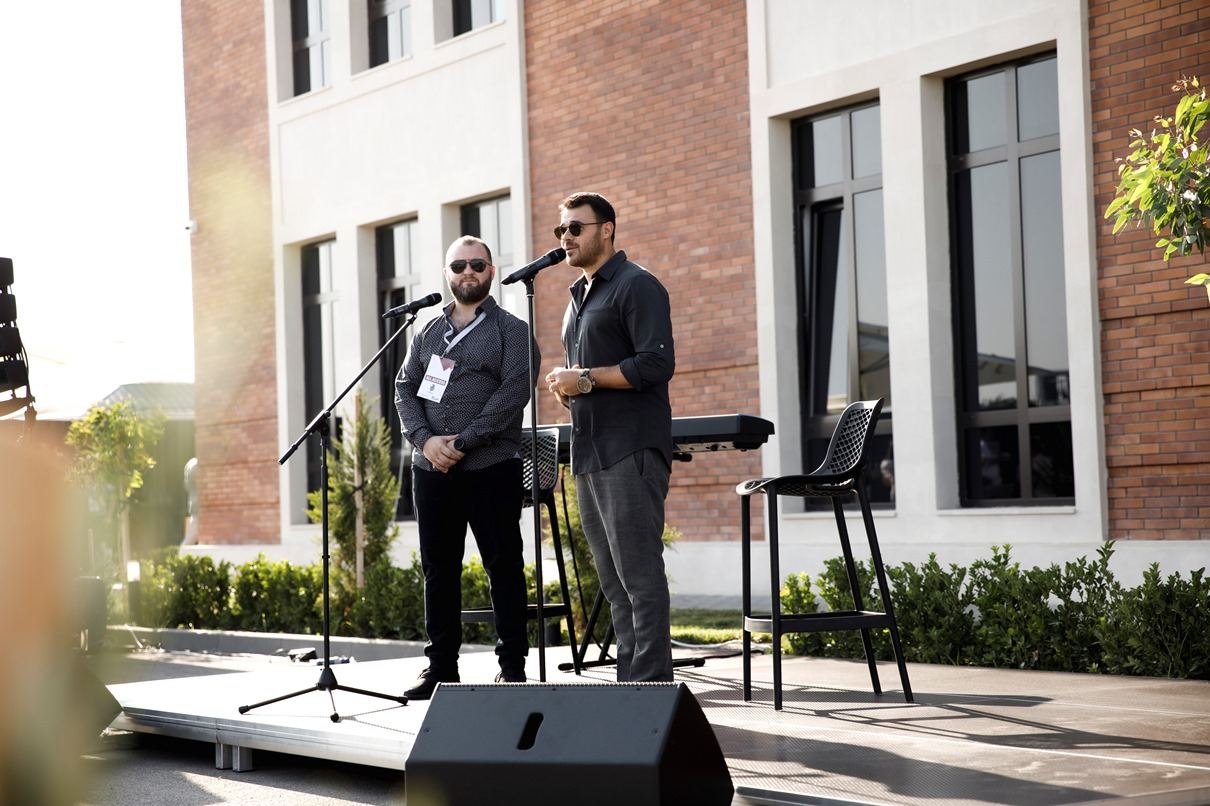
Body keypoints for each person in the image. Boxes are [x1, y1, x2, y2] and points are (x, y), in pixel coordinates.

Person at [395, 235, 537, 699]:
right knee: (439, 569)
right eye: (459, 266)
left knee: (504, 566)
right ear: (446, 274)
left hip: (490, 466)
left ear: (492, 272)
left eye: (477, 264)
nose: (468, 272)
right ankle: (440, 669)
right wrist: (424, 441)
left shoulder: (512, 332)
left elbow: (513, 393)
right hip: (431, 470)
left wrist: (462, 441)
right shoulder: (426, 334)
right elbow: (404, 389)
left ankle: (512, 665)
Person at [544, 192, 676, 682]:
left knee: (639, 576)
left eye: (575, 228)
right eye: (561, 231)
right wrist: (569, 390)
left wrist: (588, 379)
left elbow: (656, 363)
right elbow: (588, 379)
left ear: (607, 229)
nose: (566, 239)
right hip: (589, 453)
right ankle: (630, 685)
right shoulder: (577, 299)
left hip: (630, 449)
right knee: (613, 583)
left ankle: (651, 687)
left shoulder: (636, 286)